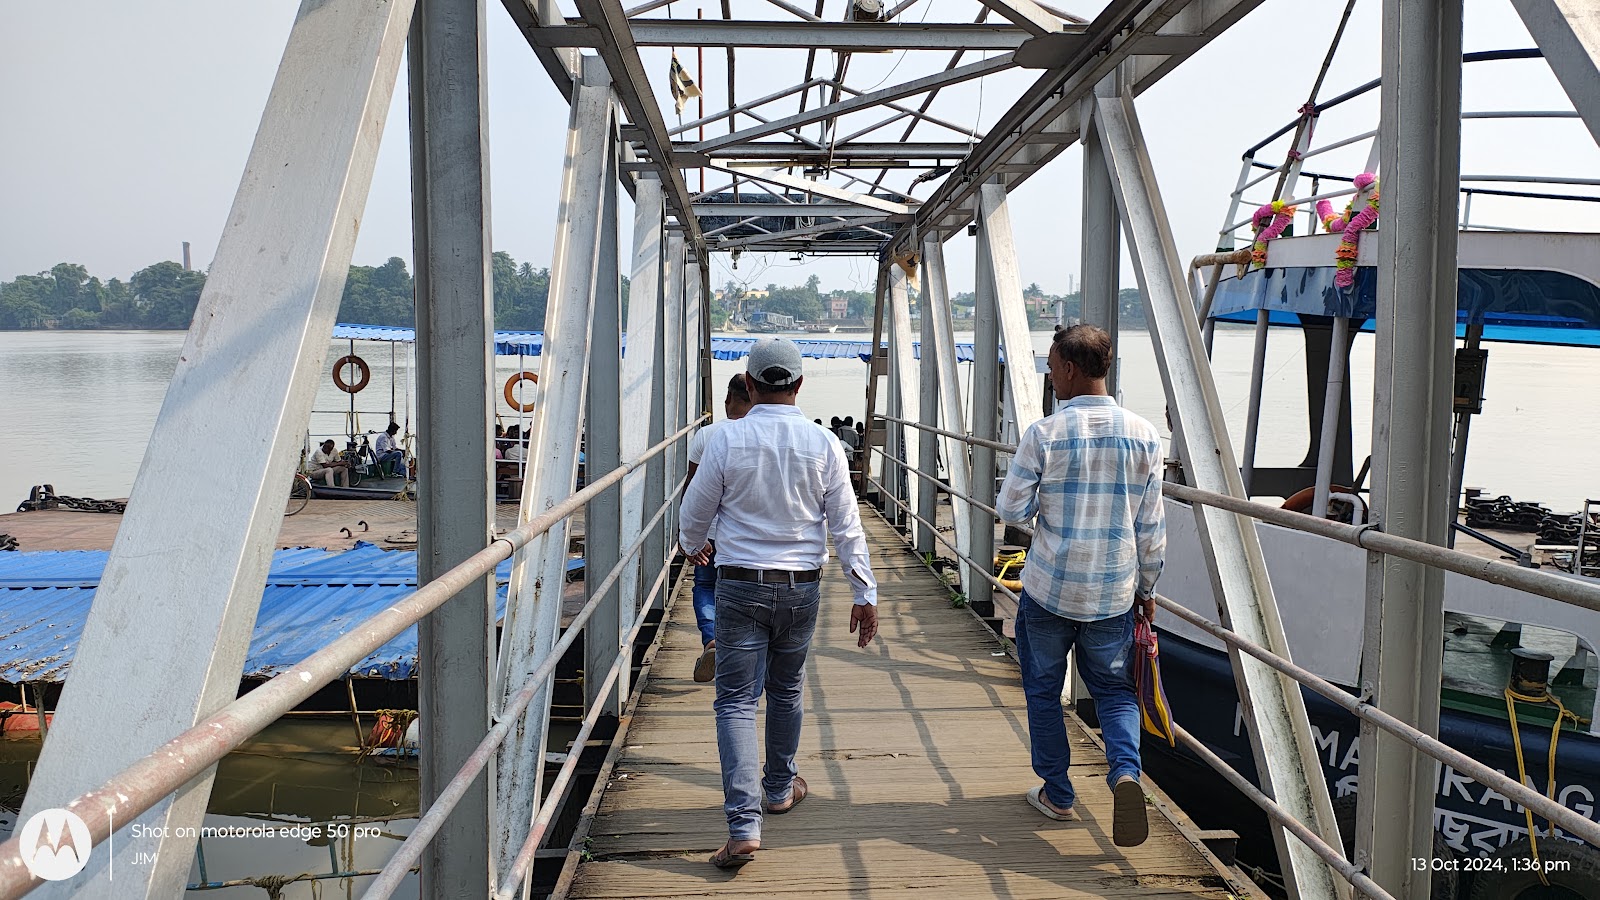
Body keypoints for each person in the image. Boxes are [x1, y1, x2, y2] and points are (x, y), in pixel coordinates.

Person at [679, 338, 879, 870]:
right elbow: (847, 526)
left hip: (740, 584)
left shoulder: (725, 440)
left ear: (748, 385)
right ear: (799, 386)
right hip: (802, 587)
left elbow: (693, 517)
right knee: (786, 689)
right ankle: (778, 788)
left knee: (736, 703)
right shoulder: (823, 444)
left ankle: (744, 826)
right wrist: (865, 592)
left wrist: (691, 544)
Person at [996, 324, 1166, 848]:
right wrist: (1147, 587)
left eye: (1050, 365)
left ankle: (1058, 794)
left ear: (1069, 369)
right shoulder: (1144, 435)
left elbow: (1010, 510)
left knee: (1043, 692)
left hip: (1049, 592)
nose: (1048, 375)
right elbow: (1151, 528)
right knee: (1115, 692)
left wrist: (1048, 513)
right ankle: (1125, 775)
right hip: (1113, 593)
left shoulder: (1044, 435)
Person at [684, 374, 755, 682]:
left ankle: (712, 638)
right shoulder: (759, 433)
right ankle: (746, 650)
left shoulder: (706, 435)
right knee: (745, 589)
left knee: (705, 586)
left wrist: (688, 537)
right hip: (744, 534)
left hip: (709, 532)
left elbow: (692, 488)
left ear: (728, 400)